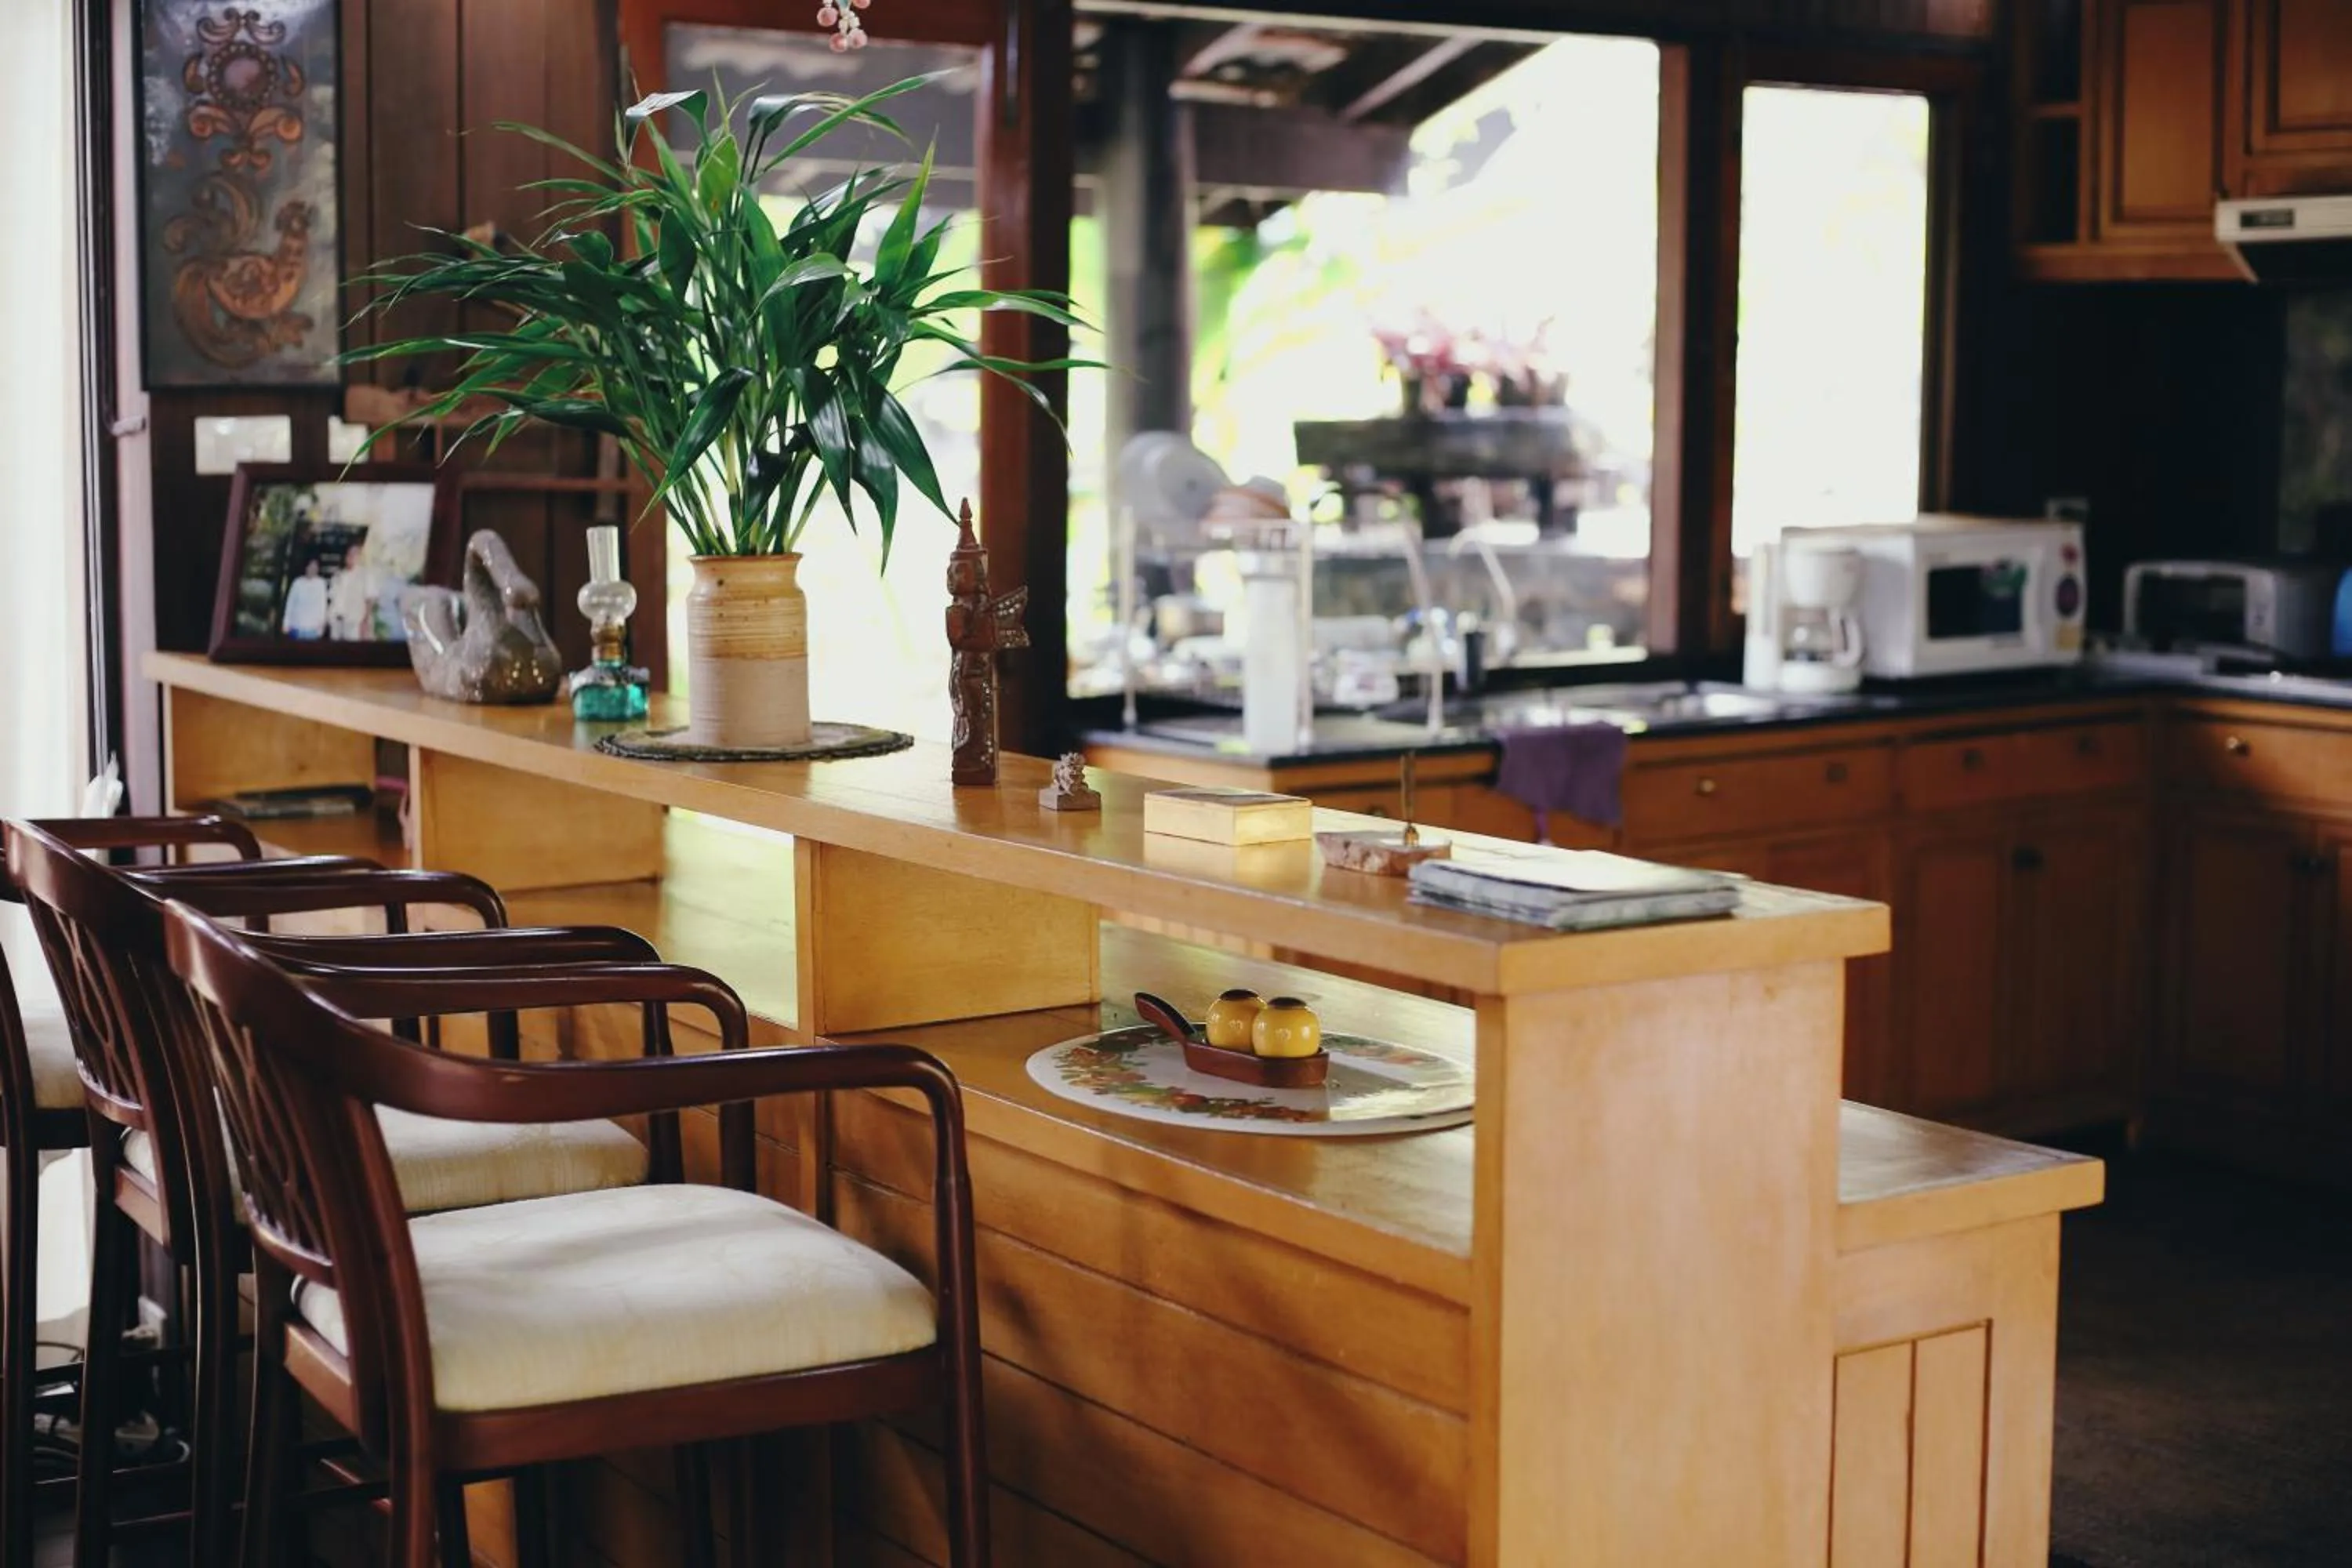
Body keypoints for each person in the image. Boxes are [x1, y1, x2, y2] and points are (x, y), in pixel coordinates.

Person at [281, 561, 328, 641]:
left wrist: (322, 625)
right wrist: (286, 623)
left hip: (312, 629)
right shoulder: (297, 582)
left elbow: (323, 605)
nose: (312, 570)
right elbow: (290, 603)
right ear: (306, 568)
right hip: (296, 626)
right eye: (311, 567)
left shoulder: (321, 584)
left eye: (315, 567)